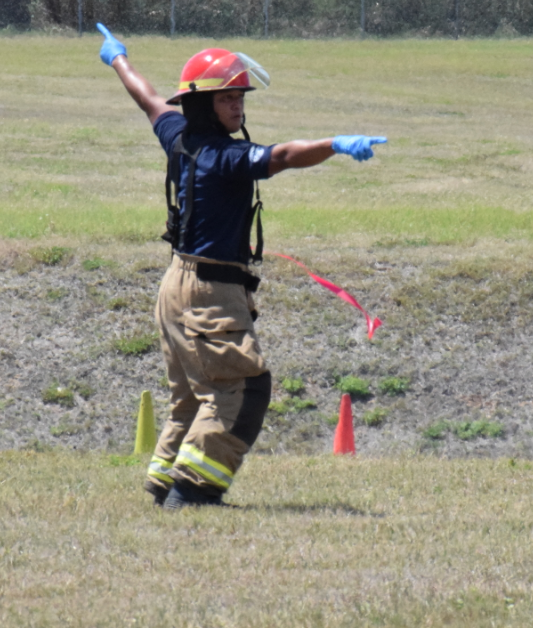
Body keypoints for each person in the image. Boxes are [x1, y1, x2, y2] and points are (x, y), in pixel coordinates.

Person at [97, 24, 386, 509]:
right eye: (228, 99)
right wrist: (336, 142)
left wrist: (117, 60)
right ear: (203, 104)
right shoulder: (223, 156)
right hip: (209, 291)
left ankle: (164, 486)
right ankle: (193, 494)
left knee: (194, 397)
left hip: (176, 285)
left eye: (240, 98)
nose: (239, 106)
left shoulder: (179, 136)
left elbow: (148, 100)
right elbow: (285, 155)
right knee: (243, 389)